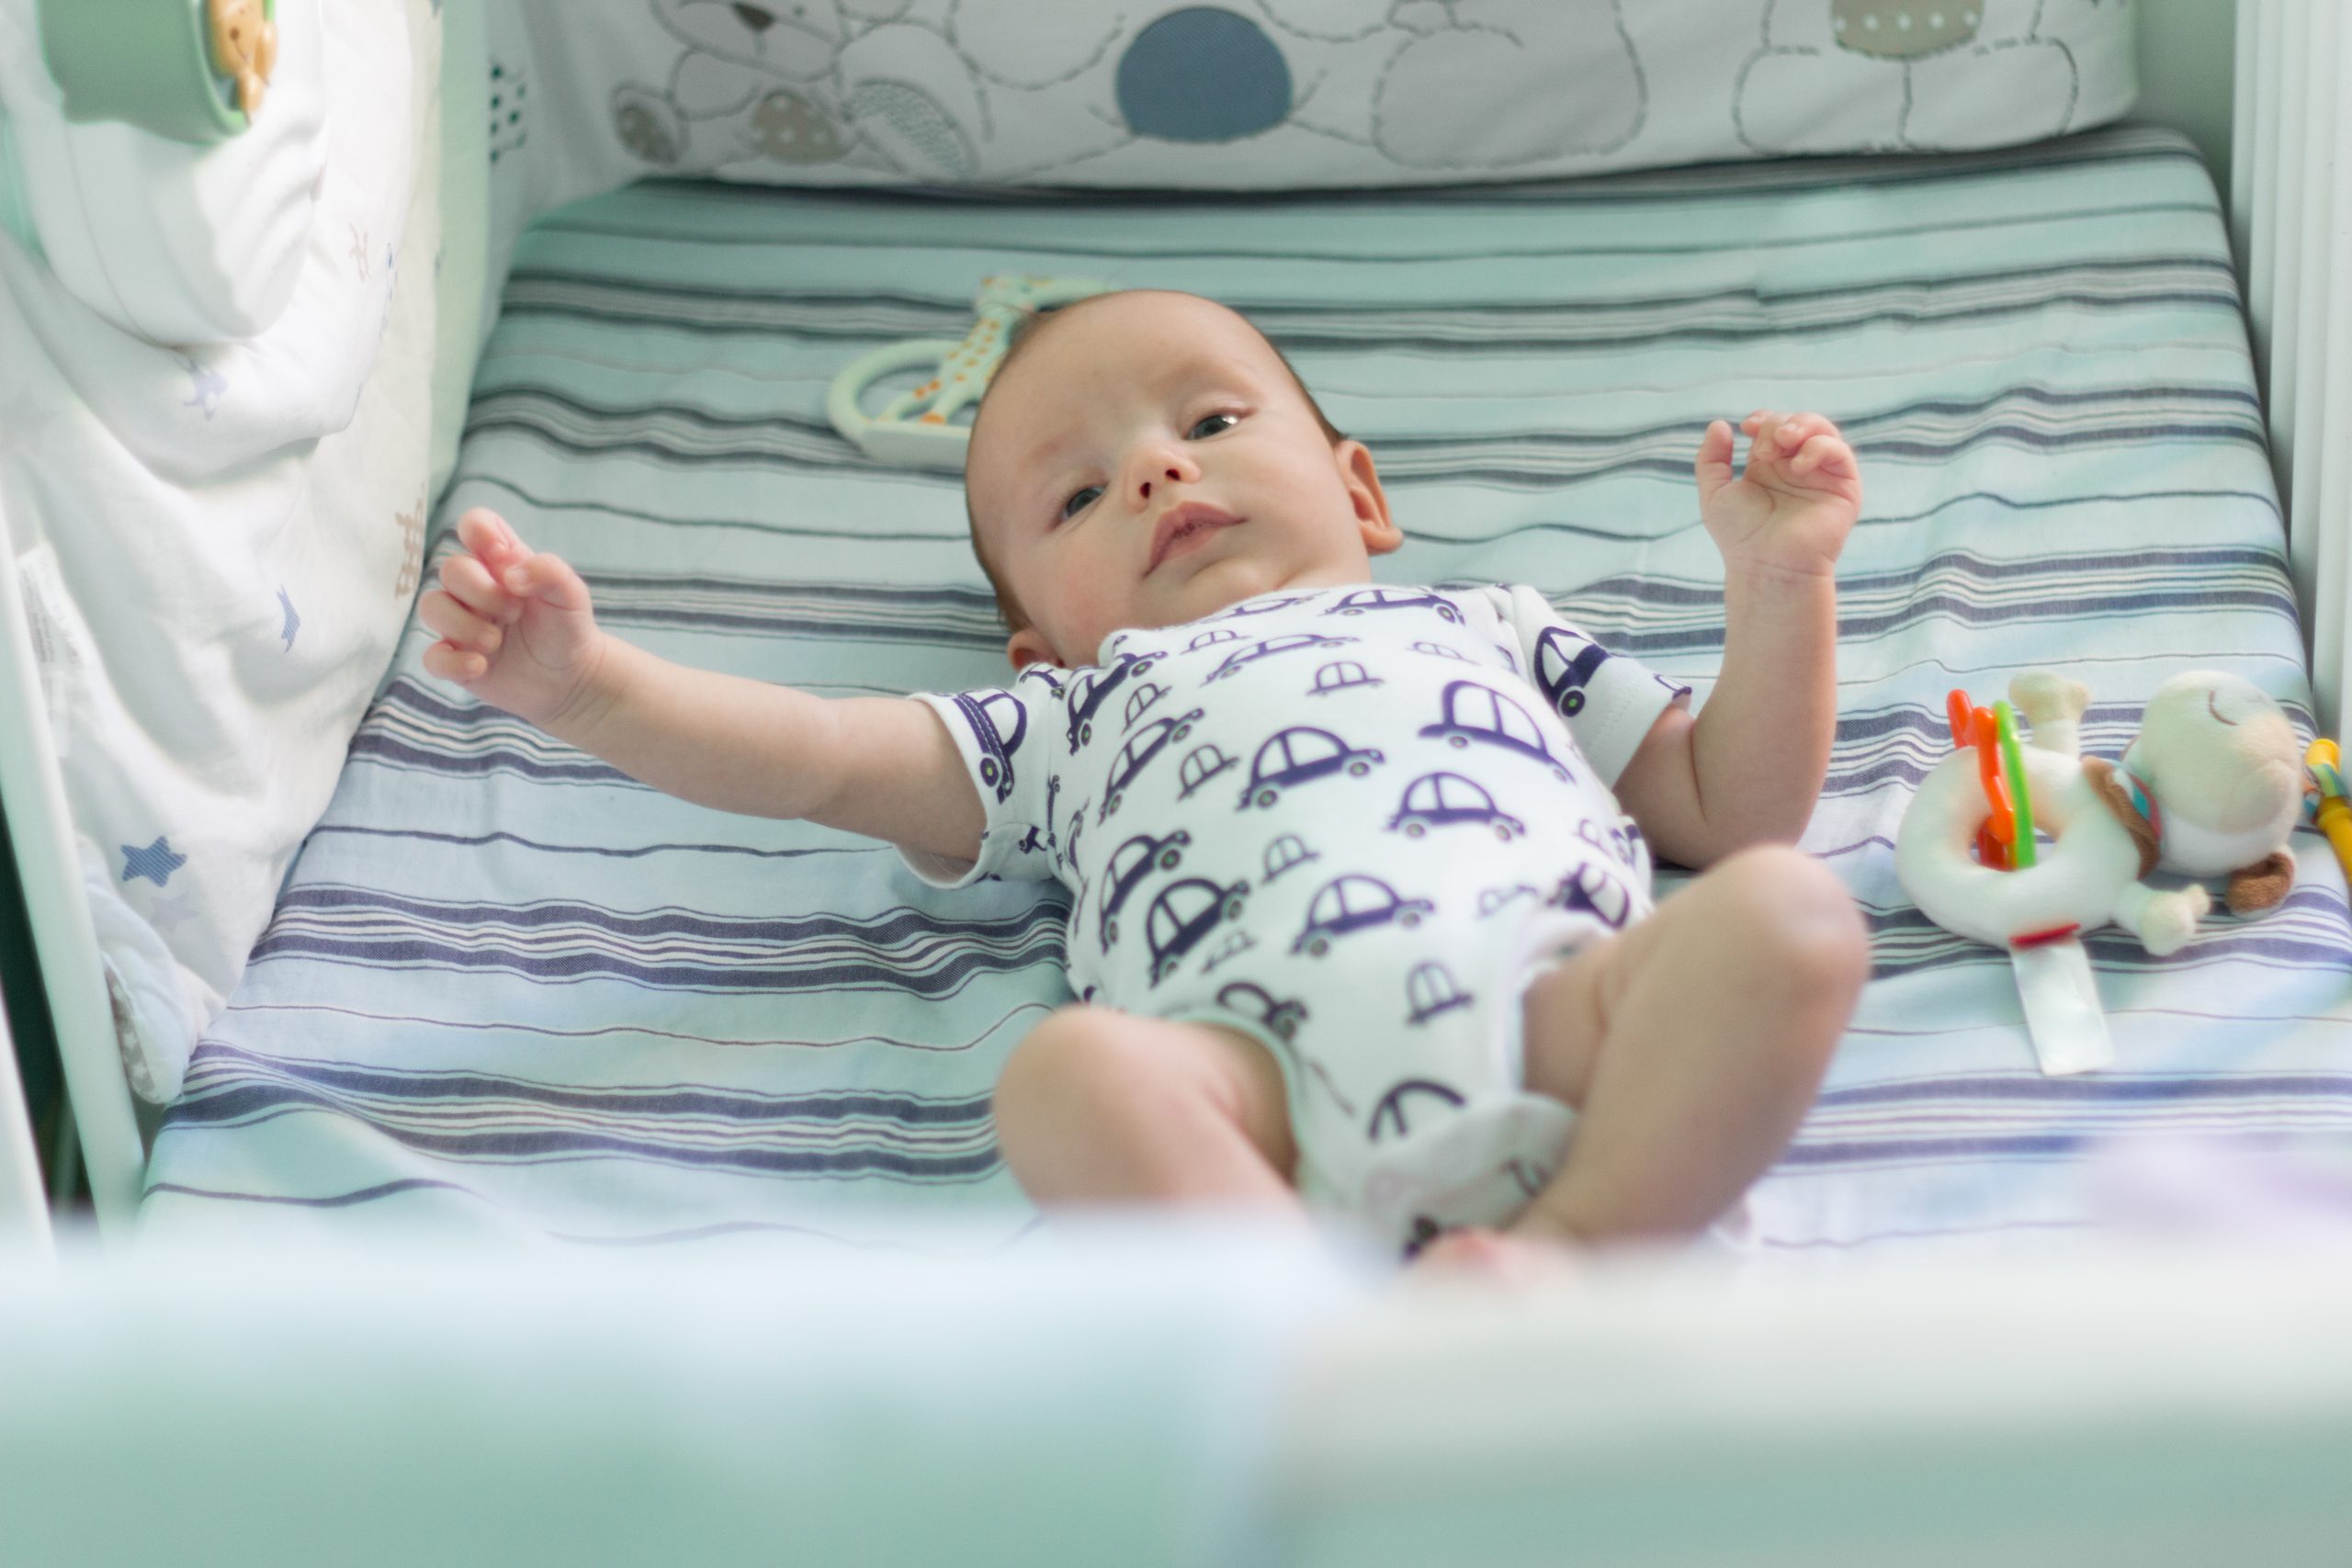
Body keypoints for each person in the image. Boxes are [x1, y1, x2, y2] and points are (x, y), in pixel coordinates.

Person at [419, 288, 1870, 1272]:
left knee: (1790, 915)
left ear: (1361, 494)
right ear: (1037, 643)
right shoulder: (1075, 717)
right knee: (1069, 1081)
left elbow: (1732, 809)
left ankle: (1574, 1251)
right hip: (1261, 1104)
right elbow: (815, 753)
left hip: (1564, 1021)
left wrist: (1777, 583)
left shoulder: (1488, 625)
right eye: (1076, 494)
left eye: (1211, 424)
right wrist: (591, 687)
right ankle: (1310, 1341)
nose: (1156, 474)